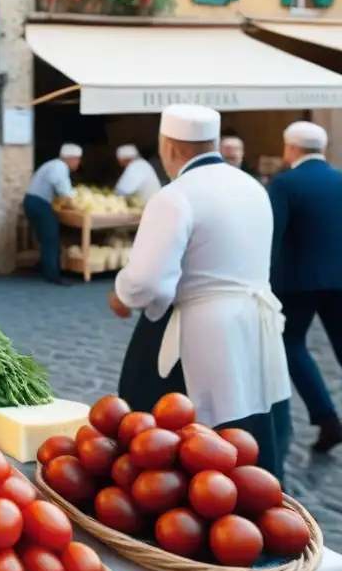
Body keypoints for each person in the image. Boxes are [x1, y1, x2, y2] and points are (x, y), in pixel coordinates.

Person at [110, 104, 292, 481]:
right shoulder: (253, 186)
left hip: (199, 328)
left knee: (167, 436)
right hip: (256, 327)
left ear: (170, 148)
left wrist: (122, 296)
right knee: (251, 421)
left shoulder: (175, 195)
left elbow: (147, 281)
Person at [267, 121, 342, 454]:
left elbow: (272, 235)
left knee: (292, 345)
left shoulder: (284, 184)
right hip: (339, 278)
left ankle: (327, 419)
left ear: (291, 148)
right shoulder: (340, 179)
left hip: (296, 281)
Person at [23, 143, 81, 285]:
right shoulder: (59, 167)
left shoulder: (52, 164)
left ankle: (44, 266)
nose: (78, 163)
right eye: (78, 159)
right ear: (71, 158)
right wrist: (76, 203)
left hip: (33, 201)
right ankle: (52, 275)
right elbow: (64, 191)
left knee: (45, 237)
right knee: (51, 238)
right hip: (39, 203)